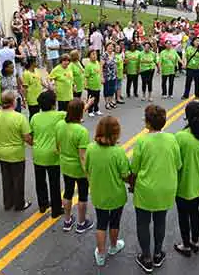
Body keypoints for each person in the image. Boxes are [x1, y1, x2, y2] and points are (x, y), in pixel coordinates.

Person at [132, 105, 181, 273]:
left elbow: (135, 168)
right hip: (166, 187)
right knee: (160, 221)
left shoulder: (142, 141)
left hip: (146, 188)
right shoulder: (172, 139)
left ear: (147, 122)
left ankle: (146, 257)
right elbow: (178, 163)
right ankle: (158, 253)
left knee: (143, 222)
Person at [86, 116, 130, 266]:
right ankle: (113, 246)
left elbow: (87, 168)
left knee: (101, 223)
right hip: (116, 194)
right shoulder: (118, 152)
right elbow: (125, 175)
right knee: (115, 222)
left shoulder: (91, 148)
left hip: (99, 194)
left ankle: (101, 253)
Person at [174, 102, 199, 257]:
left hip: (182, 185)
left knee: (183, 215)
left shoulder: (180, 137)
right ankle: (195, 241)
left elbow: (174, 163)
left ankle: (185, 245)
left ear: (187, 116)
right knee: (194, 212)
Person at [0, 91, 32, 211]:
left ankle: (8, 203)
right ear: (13, 102)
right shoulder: (19, 117)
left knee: (6, 179)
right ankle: (19, 204)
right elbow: (27, 137)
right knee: (18, 180)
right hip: (16, 153)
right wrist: (35, 144)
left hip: (2, 152)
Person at [56, 98, 94, 233]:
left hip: (65, 165)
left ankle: (67, 221)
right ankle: (81, 222)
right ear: (81, 113)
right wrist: (88, 174)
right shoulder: (81, 131)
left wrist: (87, 104)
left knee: (67, 192)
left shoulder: (60, 125)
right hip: (79, 168)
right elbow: (83, 156)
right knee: (82, 195)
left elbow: (57, 146)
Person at [30, 91, 66, 218]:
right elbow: (75, 115)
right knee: (54, 183)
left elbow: (31, 134)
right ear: (53, 104)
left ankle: (43, 204)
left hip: (38, 153)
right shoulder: (59, 115)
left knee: (40, 181)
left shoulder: (34, 117)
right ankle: (56, 209)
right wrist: (88, 104)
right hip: (53, 154)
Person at [85, 50, 103, 117]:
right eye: (93, 54)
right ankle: (90, 110)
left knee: (97, 98)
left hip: (97, 85)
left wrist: (101, 79)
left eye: (95, 54)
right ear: (89, 56)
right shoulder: (88, 65)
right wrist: (86, 85)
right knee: (91, 99)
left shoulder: (97, 63)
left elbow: (99, 72)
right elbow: (86, 76)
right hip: (91, 86)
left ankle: (96, 109)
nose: (95, 55)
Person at [101, 43, 118, 110]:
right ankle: (107, 103)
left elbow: (115, 64)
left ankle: (110, 101)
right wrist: (101, 76)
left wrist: (116, 72)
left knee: (112, 89)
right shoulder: (104, 55)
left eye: (112, 47)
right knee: (106, 90)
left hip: (113, 75)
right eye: (109, 46)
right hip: (106, 75)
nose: (110, 48)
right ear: (106, 47)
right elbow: (101, 66)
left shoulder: (114, 54)